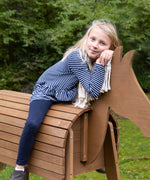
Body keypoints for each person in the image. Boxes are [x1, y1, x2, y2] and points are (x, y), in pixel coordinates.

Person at [11, 19, 120, 180]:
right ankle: (19, 168)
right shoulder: (78, 57)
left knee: (101, 115)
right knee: (33, 122)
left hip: (66, 94)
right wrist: (101, 63)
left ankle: (101, 158)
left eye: (102, 43)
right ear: (86, 38)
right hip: (46, 91)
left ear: (109, 48)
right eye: (93, 39)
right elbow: (93, 90)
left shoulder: (96, 60)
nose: (95, 45)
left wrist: (113, 56)